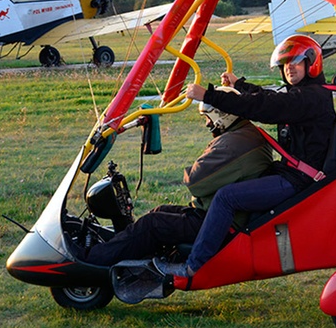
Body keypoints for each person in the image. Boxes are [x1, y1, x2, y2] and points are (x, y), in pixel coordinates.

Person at [155, 35, 336, 278]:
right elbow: (271, 99)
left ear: (311, 64)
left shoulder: (311, 98)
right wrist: (239, 85)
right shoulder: (304, 95)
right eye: (285, 64)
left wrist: (208, 96)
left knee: (226, 197)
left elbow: (266, 107)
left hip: (298, 181)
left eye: (296, 61)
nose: (289, 68)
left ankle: (194, 266)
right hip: (290, 174)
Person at [85, 88, 273, 266]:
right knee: (159, 211)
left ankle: (91, 260)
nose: (207, 123)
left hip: (218, 222)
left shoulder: (232, 144)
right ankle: (133, 261)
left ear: (222, 116)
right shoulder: (245, 134)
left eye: (208, 118)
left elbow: (195, 182)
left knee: (151, 224)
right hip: (223, 215)